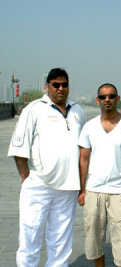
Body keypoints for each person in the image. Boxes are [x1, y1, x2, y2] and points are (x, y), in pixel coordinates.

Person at [8, 68, 87, 266]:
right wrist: (26, 175)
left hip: (68, 188)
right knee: (30, 236)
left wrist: (83, 185)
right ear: (47, 86)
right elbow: (20, 147)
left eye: (64, 85)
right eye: (56, 85)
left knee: (61, 241)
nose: (61, 89)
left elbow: (85, 150)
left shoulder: (78, 111)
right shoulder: (34, 109)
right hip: (39, 185)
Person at [78, 83, 121, 267]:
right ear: (98, 100)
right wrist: (81, 190)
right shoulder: (89, 127)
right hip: (94, 191)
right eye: (103, 97)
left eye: (111, 96)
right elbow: (83, 160)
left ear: (118, 98)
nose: (107, 99)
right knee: (94, 241)